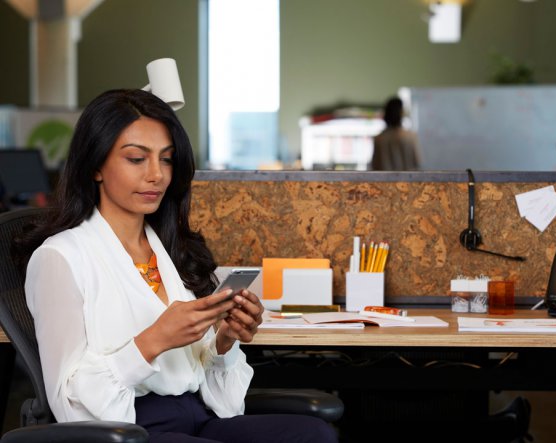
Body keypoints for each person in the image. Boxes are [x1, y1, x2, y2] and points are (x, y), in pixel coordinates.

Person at [15, 89, 337, 443]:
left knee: (313, 434)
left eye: (166, 160)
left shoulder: (171, 252)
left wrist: (224, 341)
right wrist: (153, 340)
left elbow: (224, 402)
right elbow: (67, 403)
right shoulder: (61, 258)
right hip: (130, 430)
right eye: (137, 159)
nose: (156, 175)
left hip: (197, 417)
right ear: (95, 167)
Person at [371, 96, 421, 171]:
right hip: (408, 181)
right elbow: (417, 163)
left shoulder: (379, 139)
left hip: (385, 182)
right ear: (401, 114)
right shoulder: (411, 137)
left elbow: (375, 166)